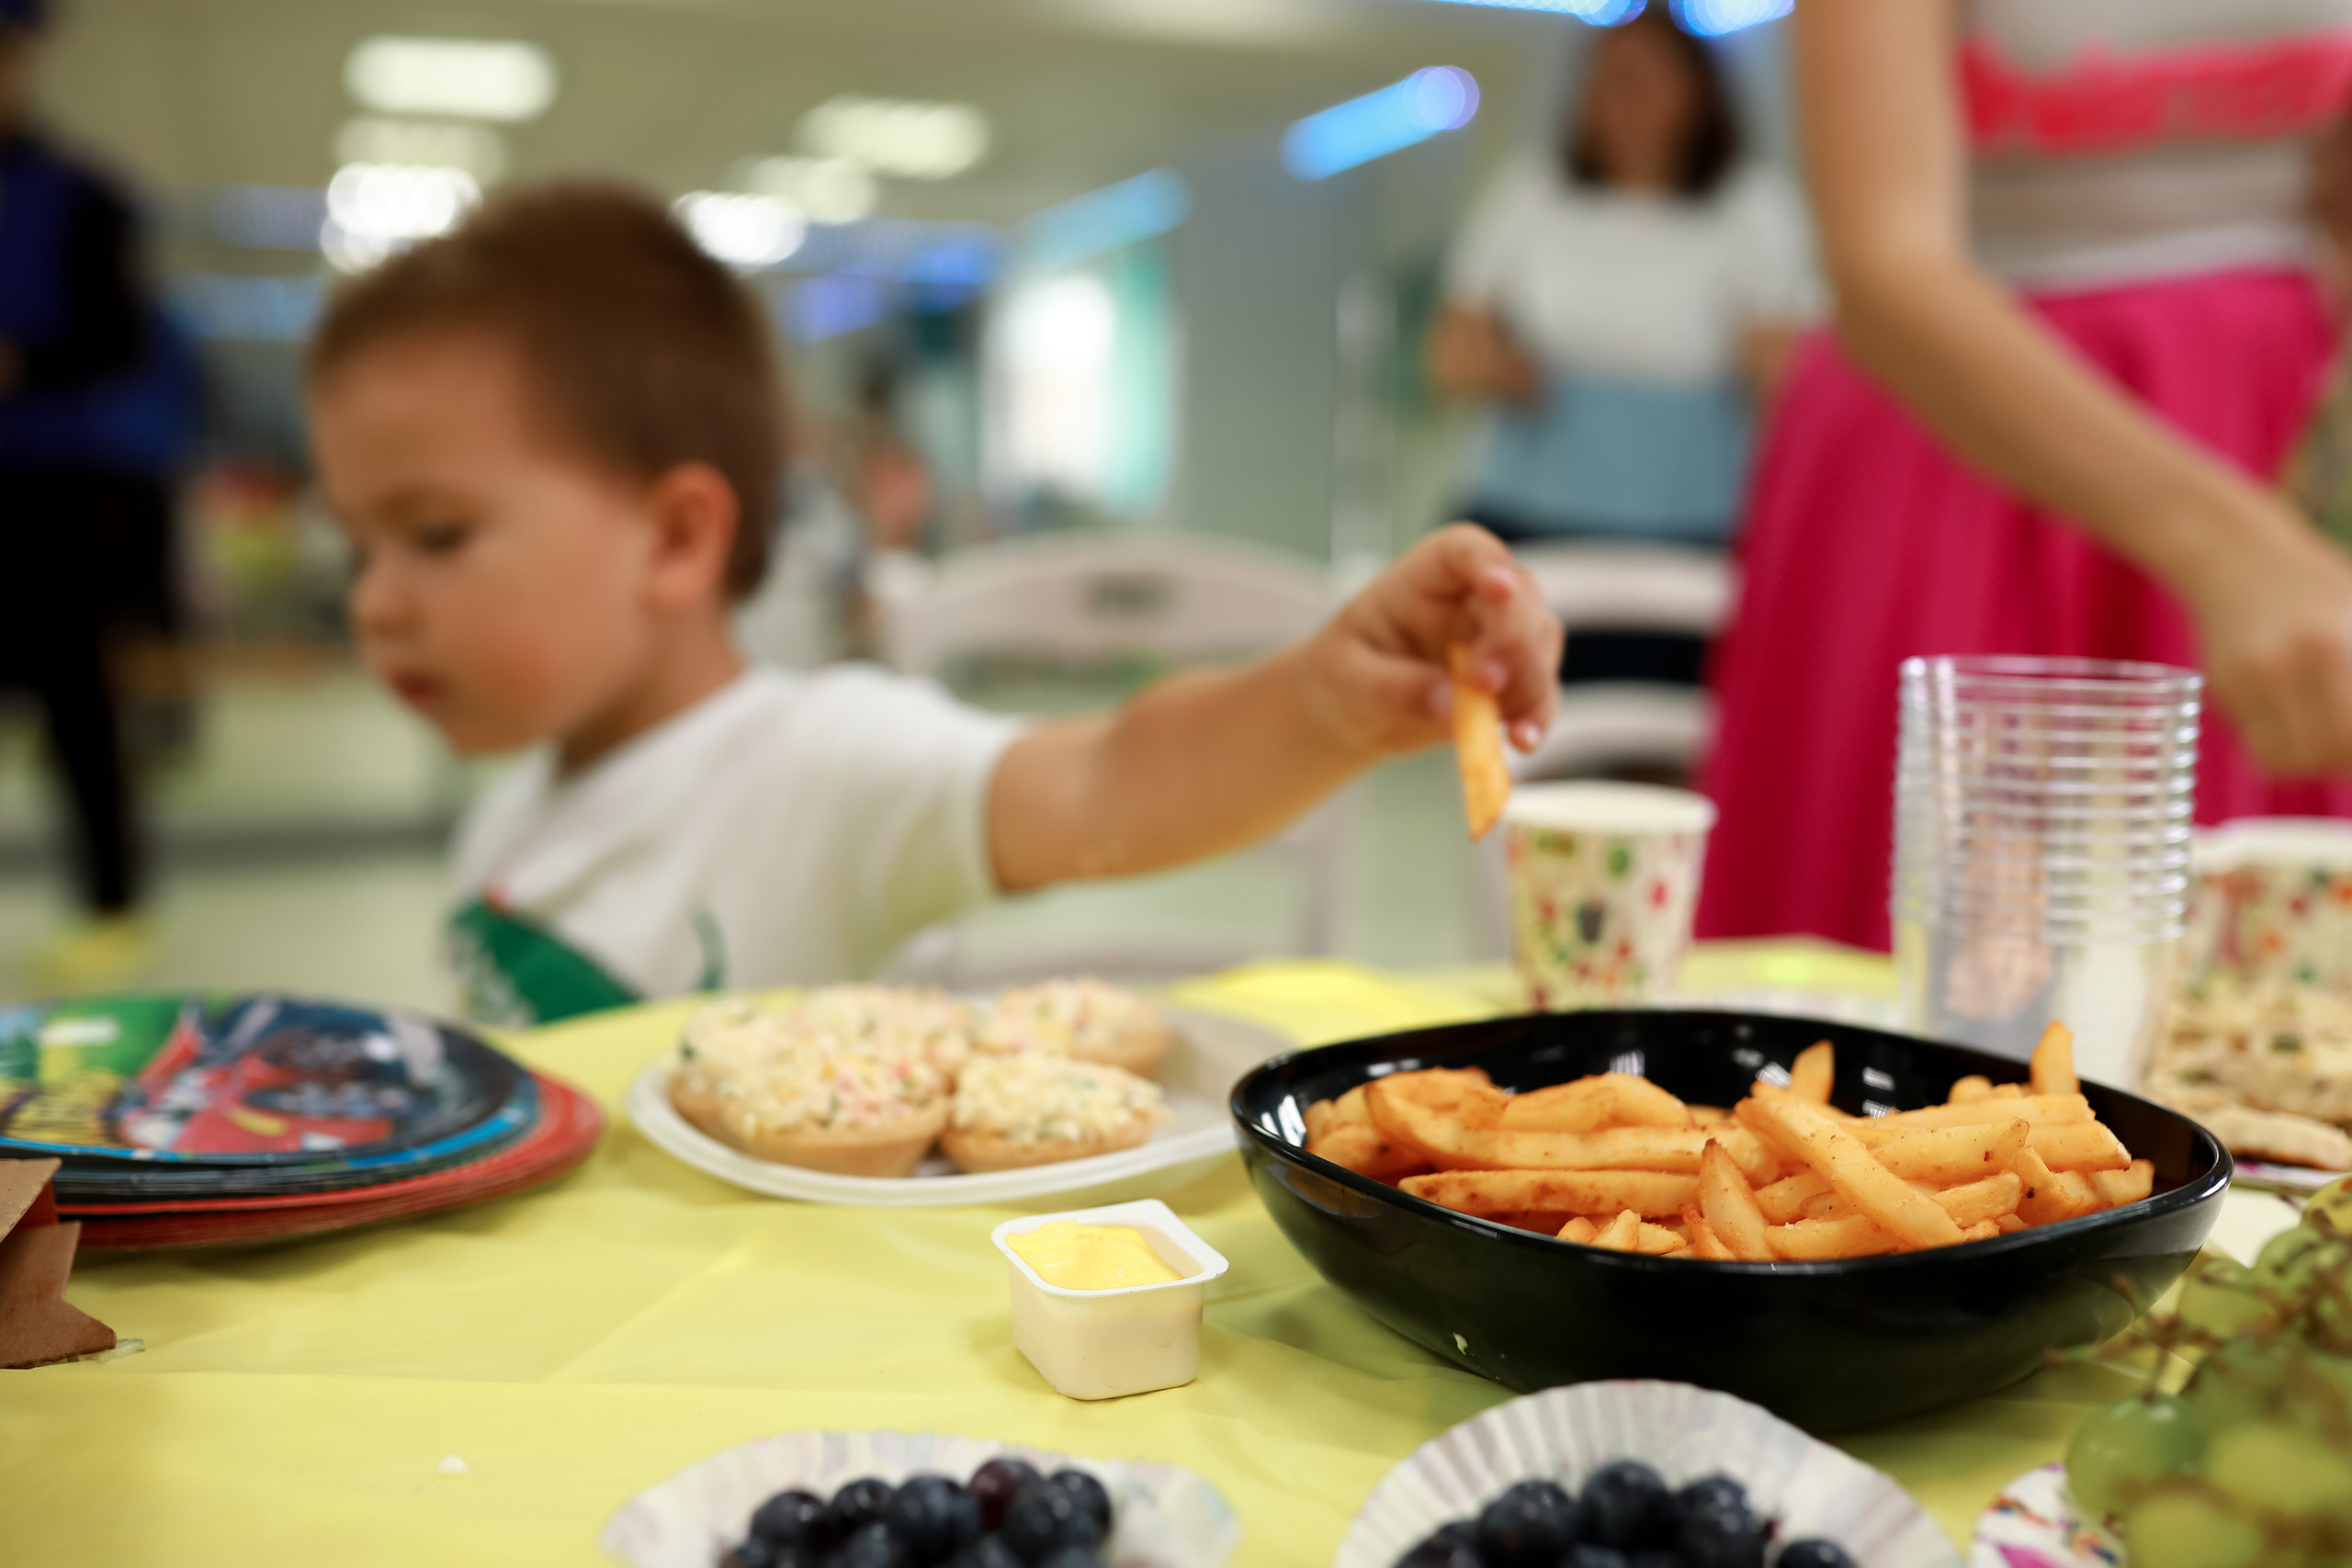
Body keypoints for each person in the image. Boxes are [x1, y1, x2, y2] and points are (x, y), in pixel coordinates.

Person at [302, 183, 1562, 1027]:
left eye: (435, 535)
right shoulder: (512, 819)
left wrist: (1321, 701)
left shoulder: (818, 763)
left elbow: (1110, 784)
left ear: (678, 537)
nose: (377, 603)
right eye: (359, 547)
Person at [1698, 0, 2352, 952]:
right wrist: (2230, 548)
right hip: (1969, 446)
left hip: (2270, 421)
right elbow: (1886, 264)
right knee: (1945, 970)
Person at [1428, 6, 1815, 683]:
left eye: (1645, 77)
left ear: (1697, 92)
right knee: (1521, 713)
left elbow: (1784, 381)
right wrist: (1500, 369)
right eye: (1608, 77)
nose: (1623, 96)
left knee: (1665, 725)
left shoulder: (1752, 209)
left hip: (1690, 517)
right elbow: (1451, 352)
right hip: (1534, 504)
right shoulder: (1536, 192)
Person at [0, 0, 173, 988]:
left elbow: (123, 342)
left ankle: (113, 905)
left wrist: (23, 363)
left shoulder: (81, 196)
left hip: (59, 486)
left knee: (79, 703)